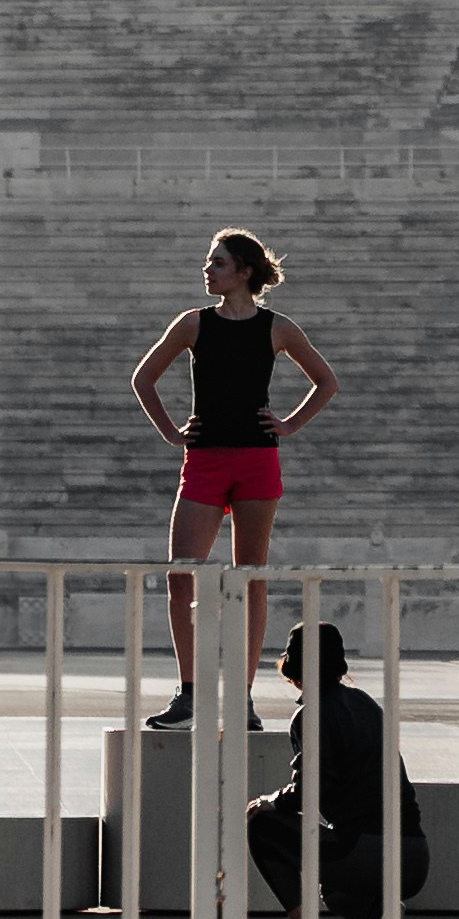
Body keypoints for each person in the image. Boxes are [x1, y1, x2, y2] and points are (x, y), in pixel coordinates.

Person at [130, 226, 334, 724]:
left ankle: (241, 698)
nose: (207, 270)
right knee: (181, 574)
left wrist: (288, 424)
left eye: (217, 263)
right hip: (204, 460)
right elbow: (143, 377)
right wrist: (171, 432)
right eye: (208, 262)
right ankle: (191, 693)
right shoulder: (194, 324)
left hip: (257, 461)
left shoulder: (277, 327)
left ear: (244, 272)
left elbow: (326, 381)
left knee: (251, 579)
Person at [242, 618, 429, 919]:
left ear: (293, 668)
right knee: (338, 895)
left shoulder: (310, 714)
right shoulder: (366, 704)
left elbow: (312, 789)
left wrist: (272, 800)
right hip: (413, 855)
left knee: (261, 825)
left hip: (365, 852)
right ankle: (383, 911)